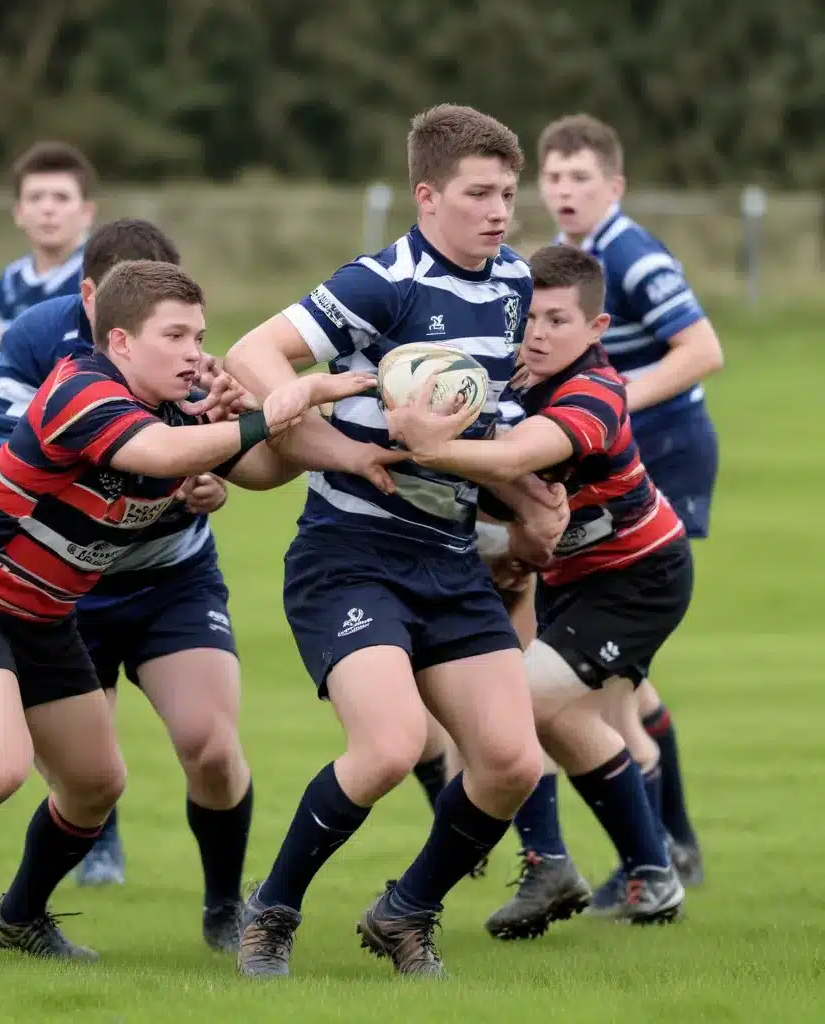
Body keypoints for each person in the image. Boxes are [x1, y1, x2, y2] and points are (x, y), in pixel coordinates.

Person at [0, 258, 378, 970]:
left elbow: (263, 473)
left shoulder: (180, 402)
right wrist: (274, 408)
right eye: (176, 336)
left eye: (200, 336)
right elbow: (160, 452)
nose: (197, 352)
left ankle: (18, 917)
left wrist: (255, 417)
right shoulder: (80, 388)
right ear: (120, 342)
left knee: (96, 784)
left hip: (45, 618)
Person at [224, 104, 569, 979]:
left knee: (511, 762)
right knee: (383, 748)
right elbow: (252, 355)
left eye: (508, 195)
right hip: (350, 551)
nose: (498, 211)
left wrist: (522, 497)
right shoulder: (384, 282)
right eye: (478, 194)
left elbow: (485, 422)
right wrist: (339, 445)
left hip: (449, 555)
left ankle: (404, 912)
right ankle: (271, 913)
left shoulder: (513, 284)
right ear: (427, 195)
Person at [387, 243, 690, 934]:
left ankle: (550, 861)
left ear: (597, 328)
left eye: (558, 319)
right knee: (559, 718)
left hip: (639, 576)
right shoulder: (511, 379)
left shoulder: (595, 392)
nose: (539, 333)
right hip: (570, 579)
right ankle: (650, 872)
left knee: (515, 706)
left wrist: (429, 445)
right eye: (530, 318)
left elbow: (521, 458)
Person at [0, 218, 250, 950]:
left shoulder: (183, 350)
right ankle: (20, 912)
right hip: (66, 590)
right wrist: (129, 476)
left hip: (171, 576)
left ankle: (226, 909)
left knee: (211, 746)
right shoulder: (37, 338)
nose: (179, 337)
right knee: (87, 781)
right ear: (92, 295)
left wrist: (206, 482)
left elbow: (218, 453)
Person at [495, 114, 722, 913]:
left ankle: (658, 857)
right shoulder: (554, 270)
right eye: (551, 178)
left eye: (579, 178)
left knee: (612, 687)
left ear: (614, 187)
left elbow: (701, 350)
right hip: (594, 467)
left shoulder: (629, 253)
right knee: (613, 691)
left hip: (657, 457)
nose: (562, 191)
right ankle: (659, 857)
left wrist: (600, 404)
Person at [0, 141, 97, 391]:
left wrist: (6, 370)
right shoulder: (12, 278)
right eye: (35, 197)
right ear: (19, 212)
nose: (47, 208)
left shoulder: (104, 273)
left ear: (87, 212)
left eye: (61, 197)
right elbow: (7, 331)